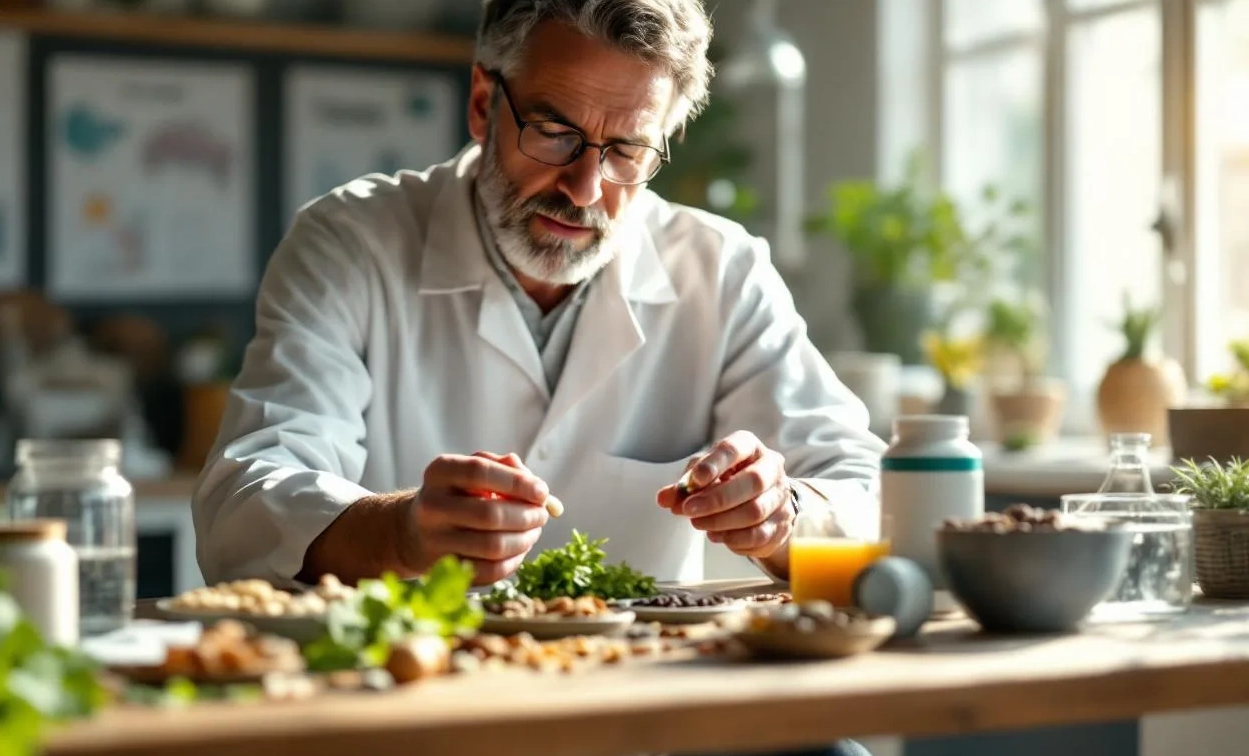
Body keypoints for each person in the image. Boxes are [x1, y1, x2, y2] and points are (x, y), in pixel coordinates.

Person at [194, 2, 883, 753]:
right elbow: (244, 497)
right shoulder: (350, 244)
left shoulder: (720, 269)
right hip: (416, 718)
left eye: (626, 150)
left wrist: (783, 514)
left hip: (652, 717)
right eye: (555, 132)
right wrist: (401, 530)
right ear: (485, 102)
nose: (586, 187)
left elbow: (863, 487)